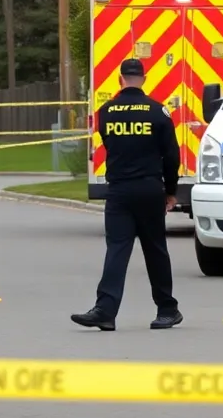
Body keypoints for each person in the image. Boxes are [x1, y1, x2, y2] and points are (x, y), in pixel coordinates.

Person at [72, 58, 181, 331]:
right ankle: (167, 309)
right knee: (155, 249)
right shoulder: (159, 112)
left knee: (117, 250)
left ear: (120, 79)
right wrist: (170, 191)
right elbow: (171, 156)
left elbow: (110, 145)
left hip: (119, 190)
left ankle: (105, 310)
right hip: (149, 189)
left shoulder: (106, 112)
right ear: (143, 79)